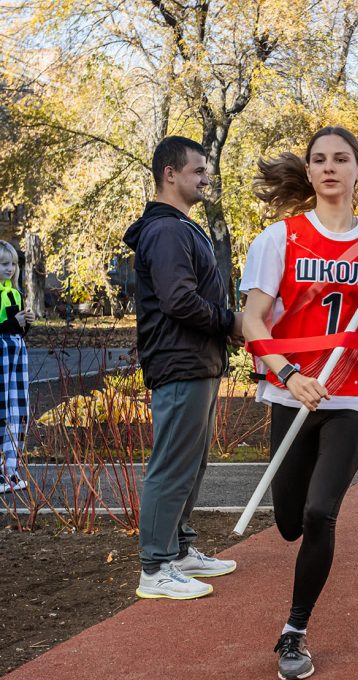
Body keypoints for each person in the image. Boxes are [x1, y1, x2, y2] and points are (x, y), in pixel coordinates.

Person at [241, 126, 358, 680]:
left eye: (340, 159)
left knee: (322, 513)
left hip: (355, 395)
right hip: (292, 390)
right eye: (318, 158)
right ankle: (296, 543)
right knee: (291, 520)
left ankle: (294, 631)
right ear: (311, 170)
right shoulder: (280, 238)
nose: (328, 167)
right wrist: (290, 375)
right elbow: (251, 319)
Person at [124, 136, 242, 600]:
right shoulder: (167, 230)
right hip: (179, 362)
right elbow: (177, 300)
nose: (205, 177)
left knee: (191, 463)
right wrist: (230, 321)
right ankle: (155, 567)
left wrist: (225, 327)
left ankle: (178, 550)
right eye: (197, 170)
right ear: (169, 174)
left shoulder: (180, 226)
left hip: (198, 360)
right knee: (172, 465)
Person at [0, 241, 34, 494]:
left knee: (16, 409)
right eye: (3, 264)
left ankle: (9, 469)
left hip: (15, 354)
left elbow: (15, 328)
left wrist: (25, 324)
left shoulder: (14, 293)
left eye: (13, 264)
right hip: (2, 354)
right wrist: (13, 323)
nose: (10, 269)